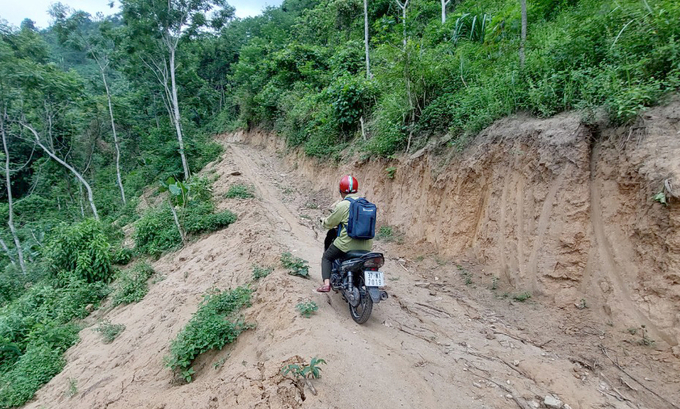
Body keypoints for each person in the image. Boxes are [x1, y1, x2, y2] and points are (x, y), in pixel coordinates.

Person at [316, 175, 373, 292]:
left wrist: (323, 221)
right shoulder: (366, 204)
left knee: (327, 257)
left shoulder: (343, 205)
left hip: (346, 245)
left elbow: (330, 223)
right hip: (366, 246)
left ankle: (326, 284)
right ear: (356, 189)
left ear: (341, 190)